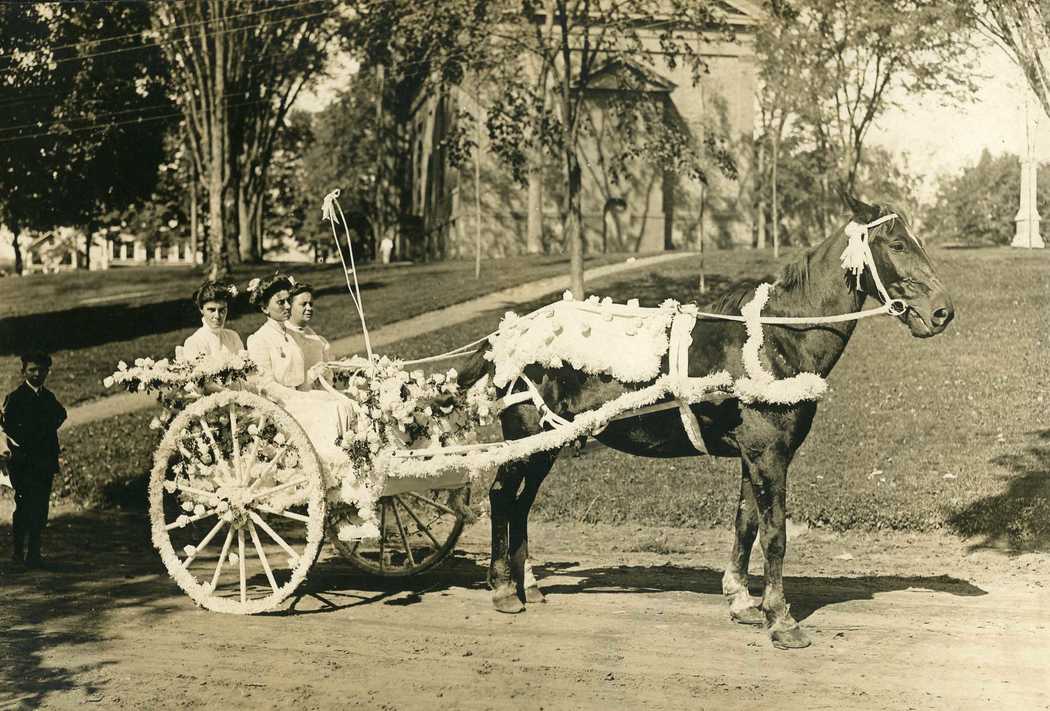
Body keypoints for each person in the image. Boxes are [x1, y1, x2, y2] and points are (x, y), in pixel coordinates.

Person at [2, 352, 67, 568]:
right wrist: (32, 436)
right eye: (32, 370)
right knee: (24, 505)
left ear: (48, 371)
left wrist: (45, 431)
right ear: (23, 371)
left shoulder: (48, 397)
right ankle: (19, 550)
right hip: (23, 462)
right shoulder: (16, 398)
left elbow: (61, 415)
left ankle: (35, 552)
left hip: (44, 461)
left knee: (40, 506)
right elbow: (9, 426)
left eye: (41, 370)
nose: (37, 374)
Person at [179, 280, 244, 361]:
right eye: (211, 310)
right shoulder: (194, 343)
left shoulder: (233, 337)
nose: (217, 316)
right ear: (201, 309)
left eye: (222, 310)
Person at [286, 281, 332, 391]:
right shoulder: (286, 337)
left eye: (311, 304)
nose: (309, 308)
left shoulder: (318, 340)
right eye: (303, 304)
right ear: (290, 306)